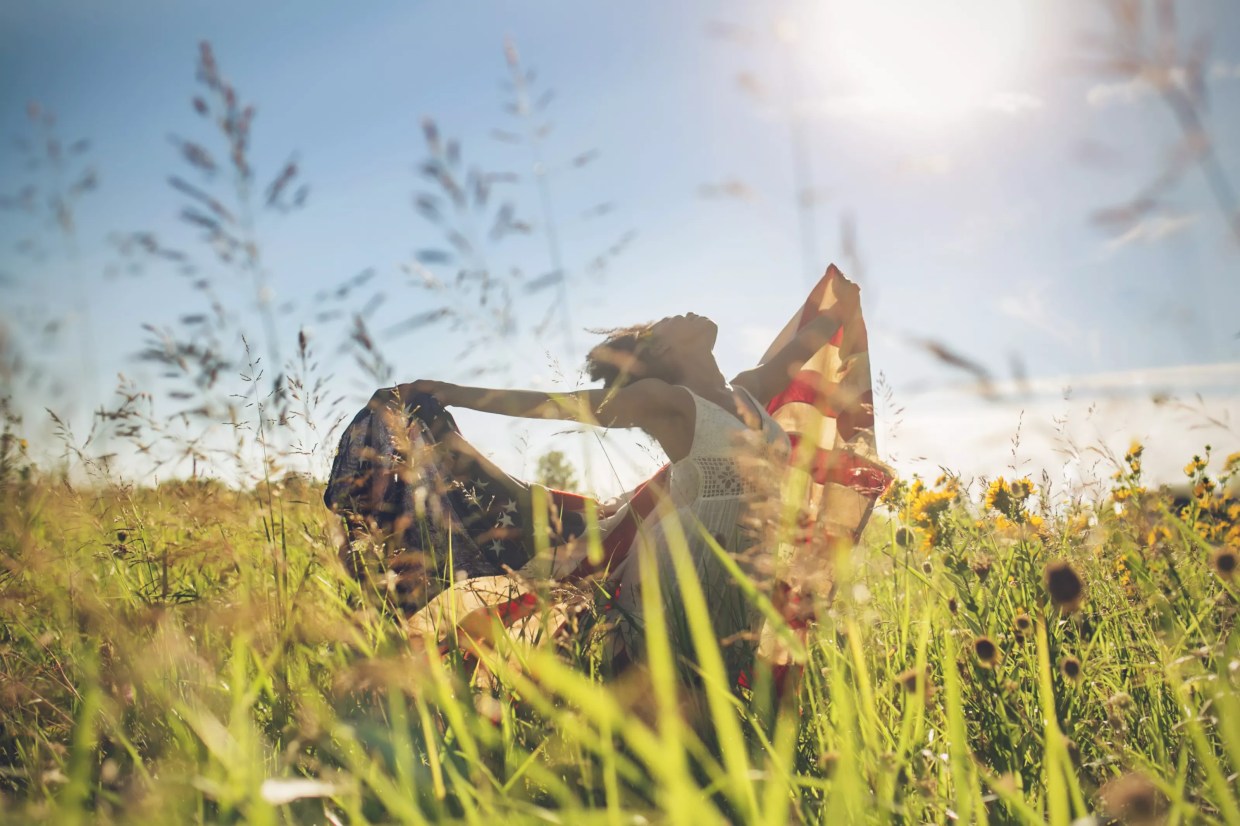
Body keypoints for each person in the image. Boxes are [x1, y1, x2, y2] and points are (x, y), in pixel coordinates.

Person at [325, 266, 882, 680]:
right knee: (668, 693)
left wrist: (841, 308)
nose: (685, 312)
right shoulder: (664, 399)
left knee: (720, 691)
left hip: (745, 565)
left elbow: (806, 344)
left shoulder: (747, 391)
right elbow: (557, 404)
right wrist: (450, 393)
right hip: (682, 563)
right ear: (664, 349)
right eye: (670, 321)